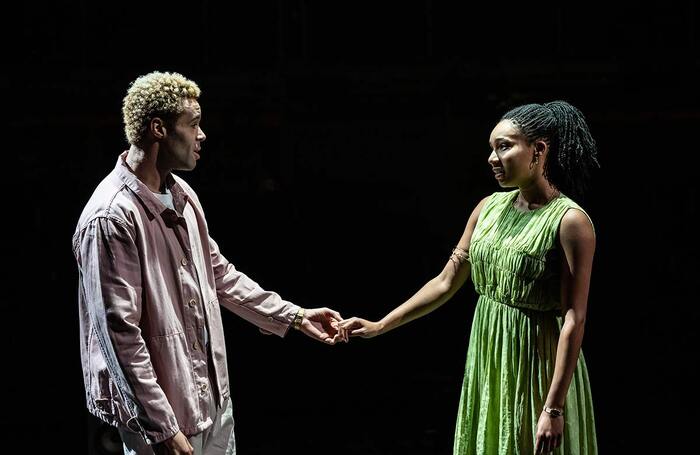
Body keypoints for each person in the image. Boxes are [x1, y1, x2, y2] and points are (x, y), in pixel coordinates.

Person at [73, 71, 344, 455]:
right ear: (159, 129)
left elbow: (219, 276)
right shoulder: (112, 217)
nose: (202, 136)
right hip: (163, 423)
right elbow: (120, 337)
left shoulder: (183, 196)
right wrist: (163, 428)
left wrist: (294, 317)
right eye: (193, 124)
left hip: (212, 406)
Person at [339, 101, 599, 454]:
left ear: (538, 150)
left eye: (504, 146)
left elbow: (574, 317)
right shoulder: (487, 208)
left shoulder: (570, 221)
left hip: (539, 363)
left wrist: (553, 407)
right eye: (492, 148)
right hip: (491, 356)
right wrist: (380, 325)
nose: (493, 158)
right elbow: (446, 281)